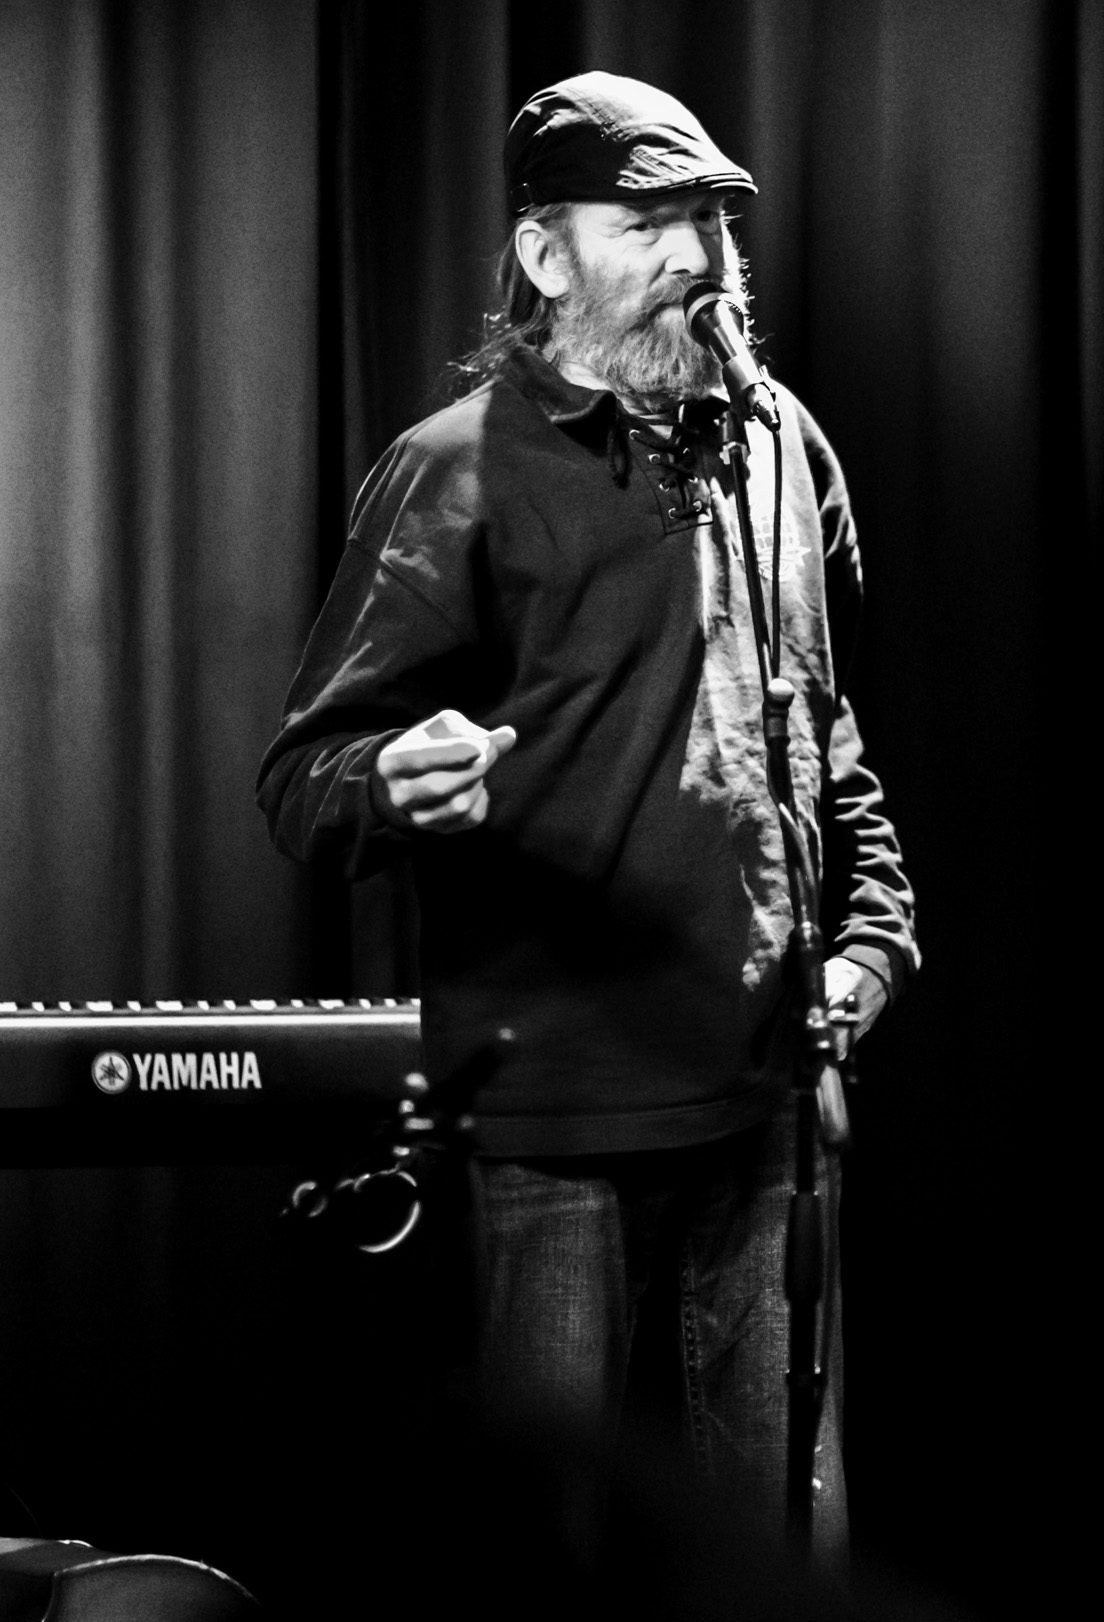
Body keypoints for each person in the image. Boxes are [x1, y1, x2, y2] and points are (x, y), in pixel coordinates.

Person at [259, 72, 916, 1551]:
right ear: (545, 256)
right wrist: (390, 776)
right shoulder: (457, 468)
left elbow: (825, 726)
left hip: (768, 1097)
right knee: (547, 1555)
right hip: (557, 1111)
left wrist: (875, 936)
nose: (696, 256)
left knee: (782, 1554)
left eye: (712, 222)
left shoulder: (781, 445)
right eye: (649, 223)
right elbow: (303, 779)